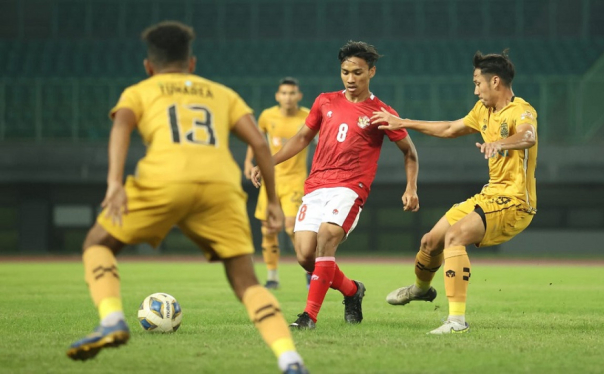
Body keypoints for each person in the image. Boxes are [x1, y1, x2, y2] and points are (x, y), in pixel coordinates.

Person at [66, 21, 308, 374]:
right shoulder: (221, 93)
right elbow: (258, 142)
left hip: (163, 178)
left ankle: (112, 319)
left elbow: (121, 126)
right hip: (219, 185)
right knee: (247, 283)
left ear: (149, 66)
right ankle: (290, 360)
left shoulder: (140, 90)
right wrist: (272, 200)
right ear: (191, 63)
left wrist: (114, 182)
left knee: (97, 243)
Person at [251, 41, 420, 330]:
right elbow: (302, 137)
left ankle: (308, 317)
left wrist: (411, 187)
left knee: (327, 237)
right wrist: (269, 161)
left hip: (350, 187)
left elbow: (409, 152)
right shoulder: (325, 101)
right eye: (345, 72)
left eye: (357, 72)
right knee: (306, 256)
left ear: (372, 72)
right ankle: (353, 291)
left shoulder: (381, 112)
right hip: (316, 186)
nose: (351, 79)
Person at [372, 50, 538, 334]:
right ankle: (421, 289)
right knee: (430, 242)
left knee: (454, 237)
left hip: (515, 201)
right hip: (489, 196)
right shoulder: (483, 112)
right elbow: (449, 128)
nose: (475, 90)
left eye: (477, 83)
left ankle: (456, 321)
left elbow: (528, 136)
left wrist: (501, 144)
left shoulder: (521, 110)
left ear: (495, 82)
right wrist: (404, 123)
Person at [244, 77, 311, 290]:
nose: (288, 97)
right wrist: (248, 161)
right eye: (284, 93)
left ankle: (309, 271)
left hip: (296, 180)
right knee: (268, 230)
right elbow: (257, 139)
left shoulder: (308, 115)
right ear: (277, 96)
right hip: (271, 180)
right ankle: (272, 277)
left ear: (298, 96)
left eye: (292, 93)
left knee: (293, 228)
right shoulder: (267, 116)